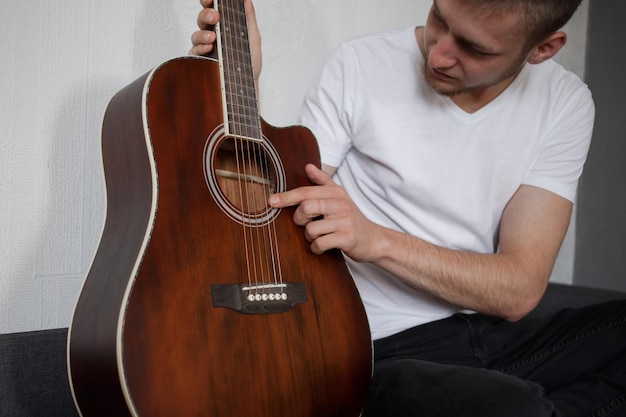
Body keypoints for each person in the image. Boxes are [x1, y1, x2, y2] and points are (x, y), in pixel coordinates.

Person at [191, 0, 626, 415]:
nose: (439, 55)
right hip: (380, 347)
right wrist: (234, 81)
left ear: (543, 48)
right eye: (439, 17)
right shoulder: (360, 65)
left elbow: (519, 290)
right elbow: (266, 208)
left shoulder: (566, 102)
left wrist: (374, 240)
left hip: (493, 332)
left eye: (474, 48)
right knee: (513, 406)